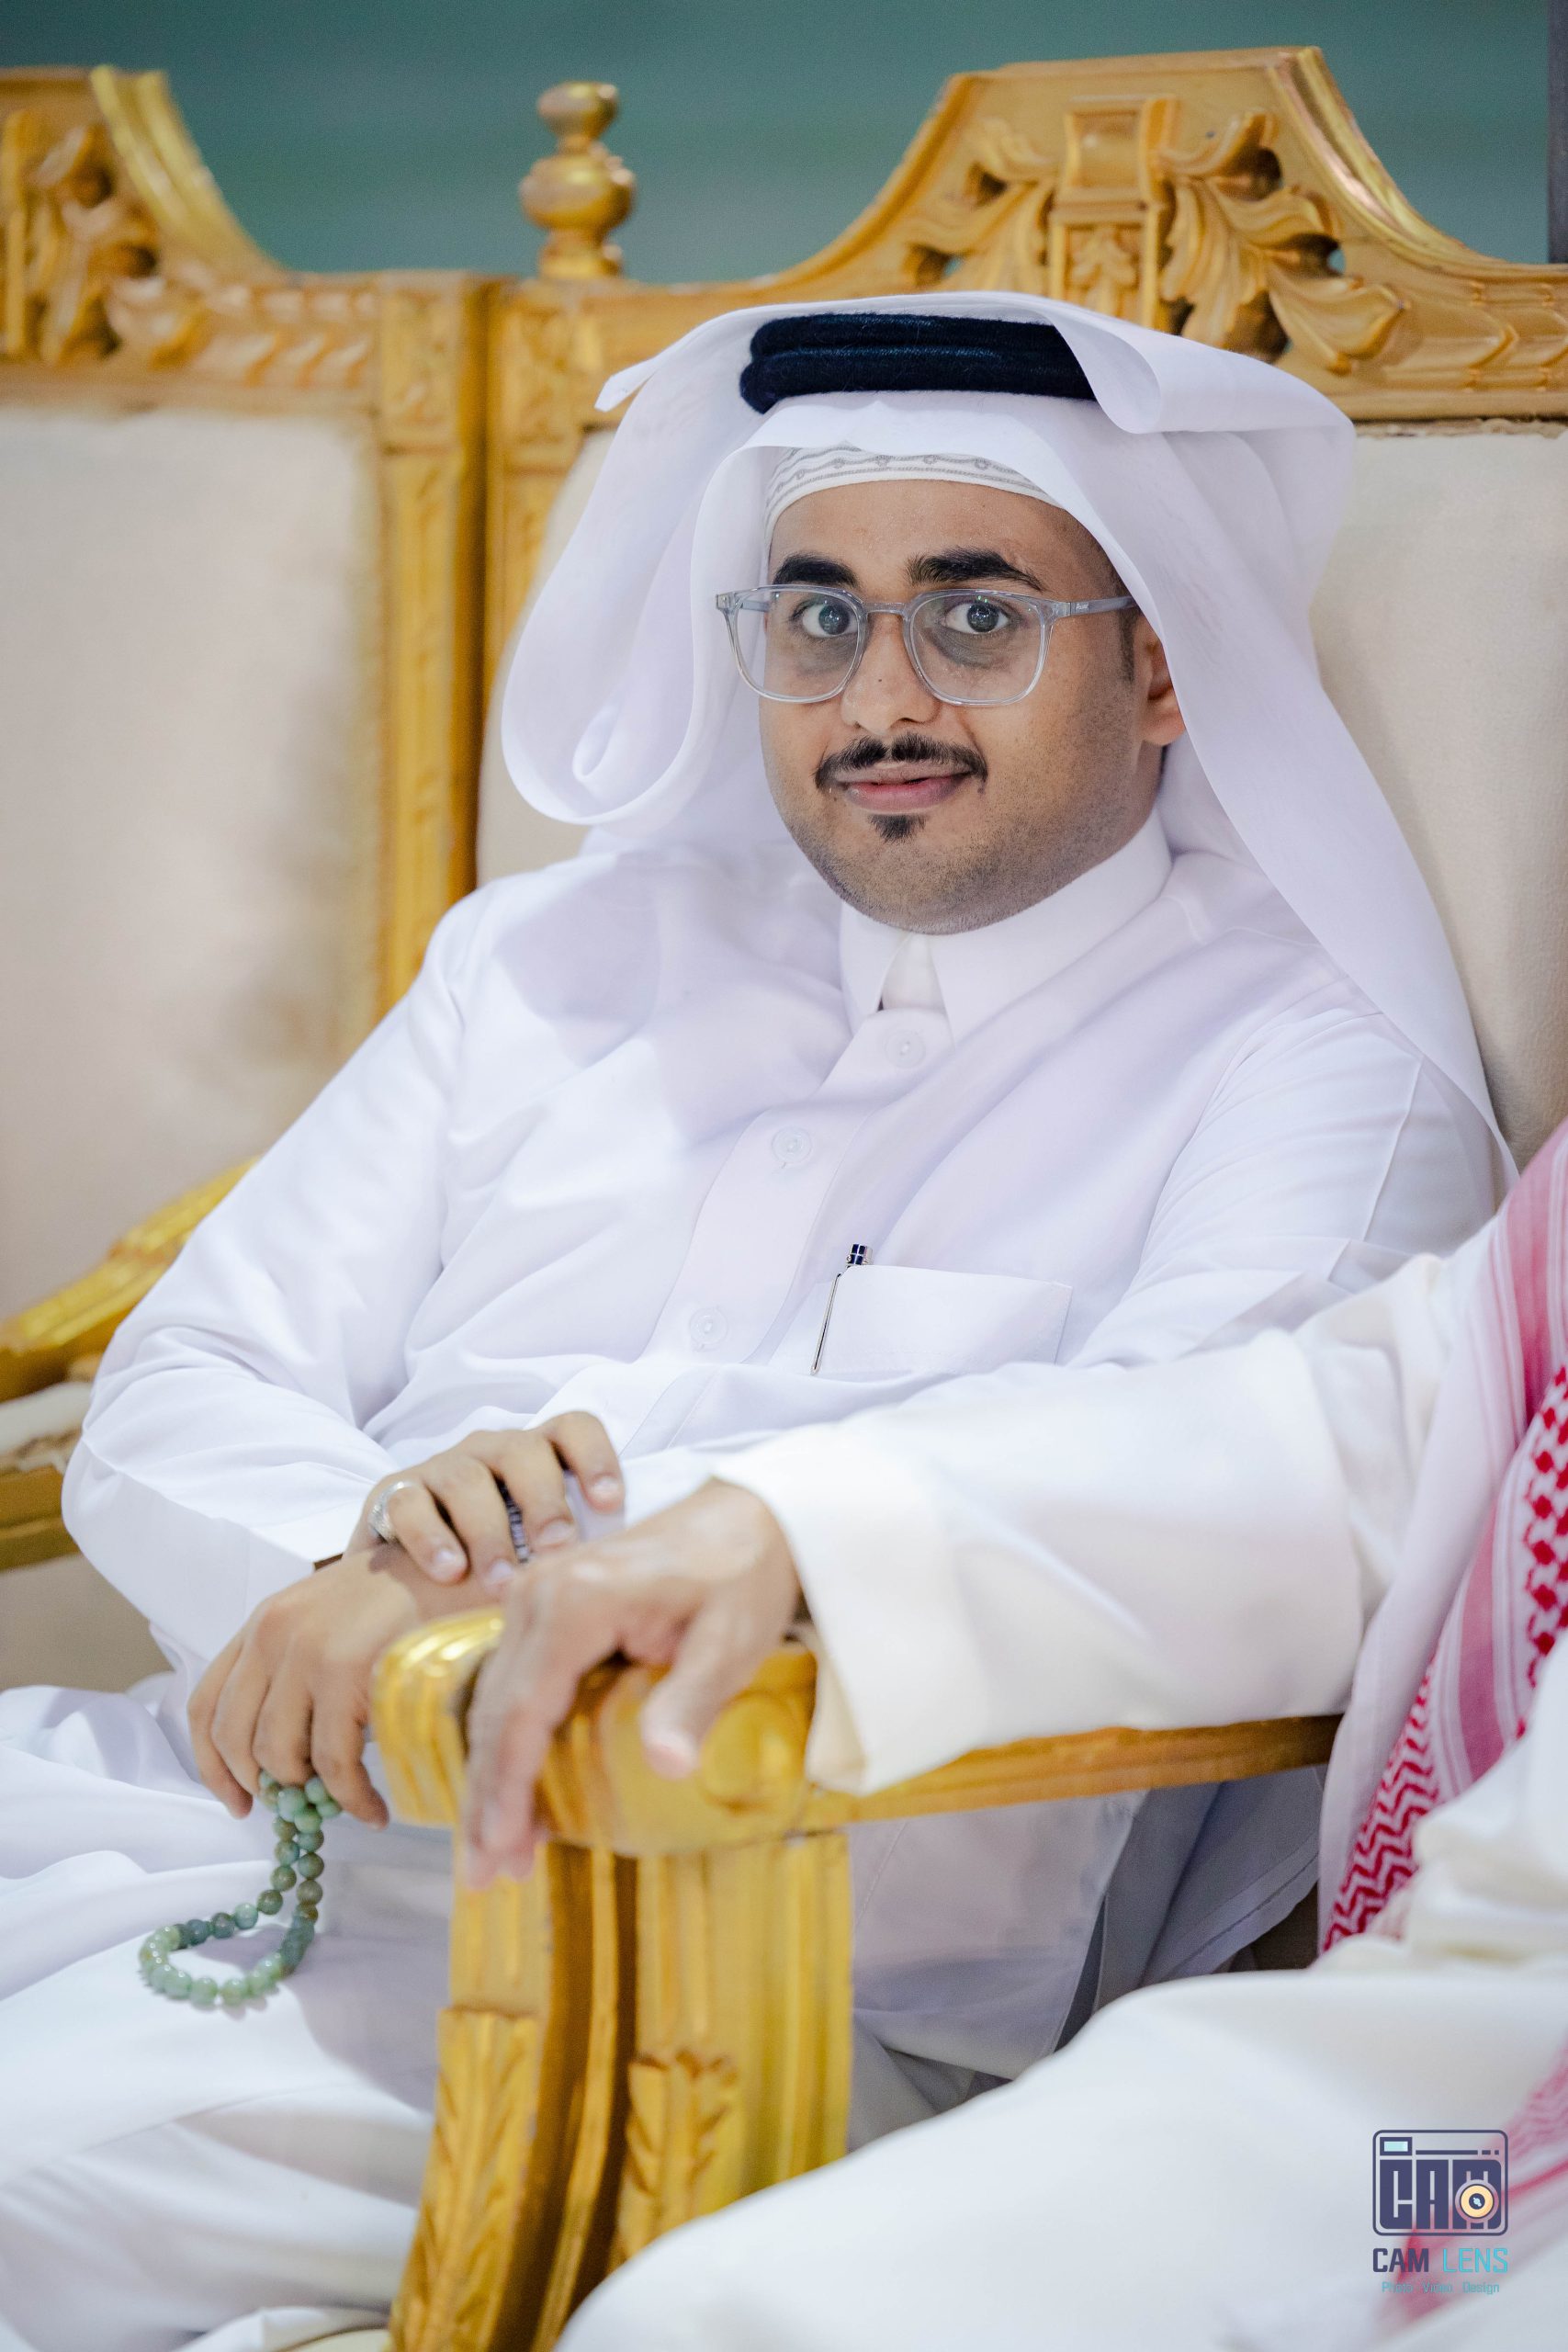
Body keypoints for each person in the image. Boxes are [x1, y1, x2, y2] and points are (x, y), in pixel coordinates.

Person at [0, 293, 1499, 2352]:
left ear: (1162, 664)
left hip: (719, 1966)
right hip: (172, 1821)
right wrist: (352, 1568)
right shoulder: (547, 958)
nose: (878, 694)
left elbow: (1180, 1505)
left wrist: (461, 1624)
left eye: (975, 617)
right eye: (815, 618)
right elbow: (187, 1374)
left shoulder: (1312, 1065)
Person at [518, 1116, 1568, 2352]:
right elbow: (1369, 1442)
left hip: (1487, 2094)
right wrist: (802, 1528)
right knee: (709, 2326)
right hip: (1453, 2111)